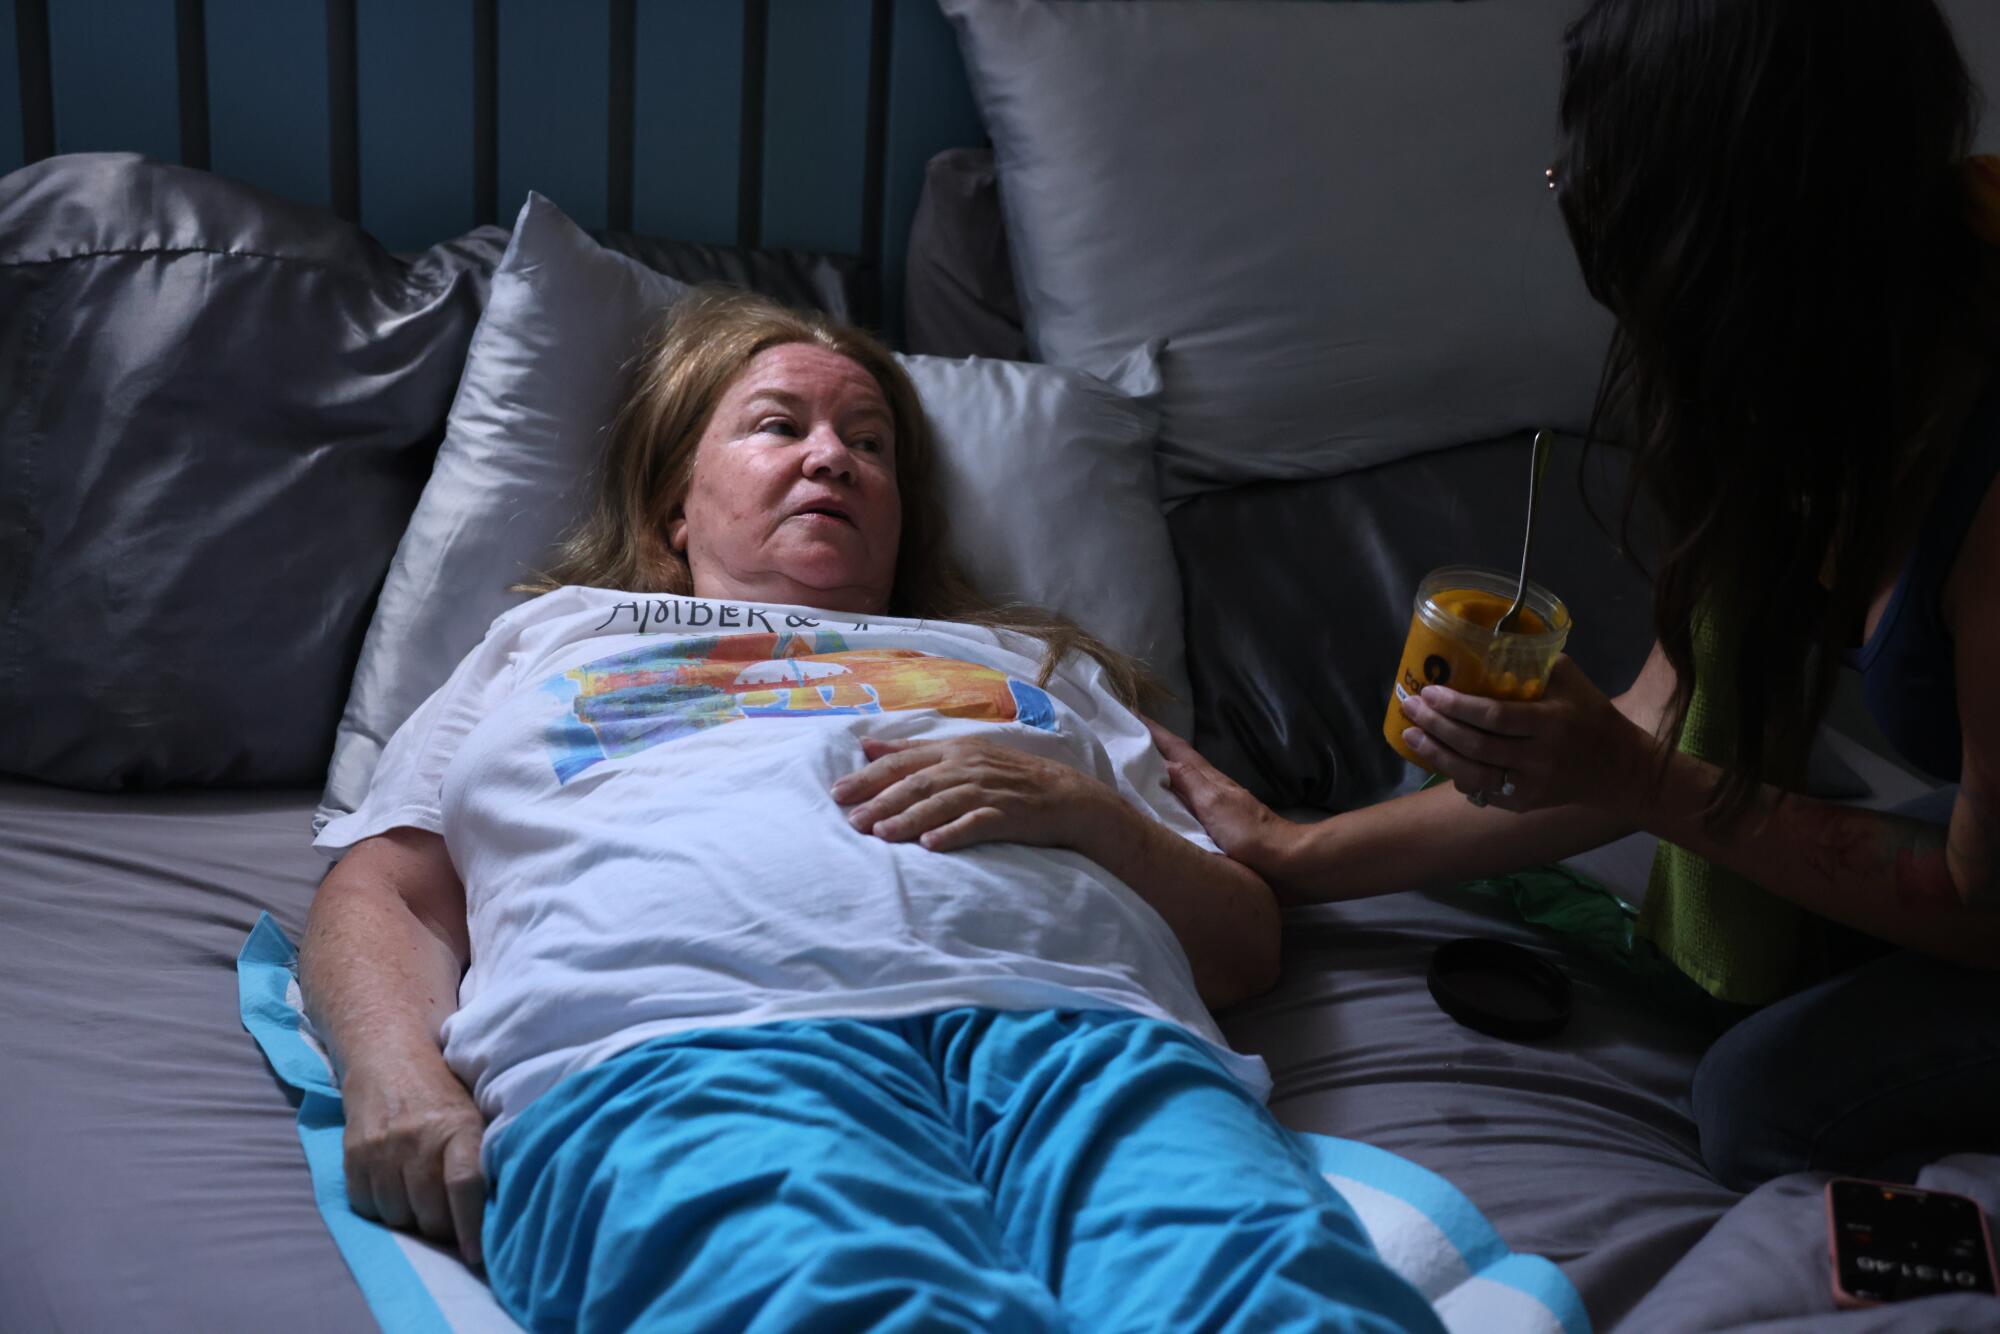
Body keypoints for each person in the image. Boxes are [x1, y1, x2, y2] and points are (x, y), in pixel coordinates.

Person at [301, 287, 1443, 1333]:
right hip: (683, 1043)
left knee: (1281, 1308)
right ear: (674, 508)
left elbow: (1243, 944)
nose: (830, 459)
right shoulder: (548, 641)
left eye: (868, 443)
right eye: (776, 426)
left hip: (1094, 1047)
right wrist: (393, 1071)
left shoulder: (1034, 667)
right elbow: (386, 886)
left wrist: (1088, 814)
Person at [1153, 0, 2000, 1193]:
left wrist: (1638, 783)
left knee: (1761, 1106)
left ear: (1736, 226)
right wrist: (1288, 849)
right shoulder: (1810, 395)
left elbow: (1976, 898)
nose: (1575, 199)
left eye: (1608, 180)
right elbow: (1652, 723)